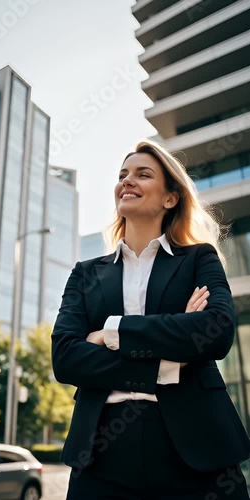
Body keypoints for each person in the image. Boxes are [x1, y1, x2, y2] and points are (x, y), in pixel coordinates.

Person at [52, 140, 250, 499]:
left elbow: (215, 333)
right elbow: (65, 359)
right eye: (122, 175)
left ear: (170, 198)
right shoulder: (85, 274)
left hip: (197, 449)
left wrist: (111, 331)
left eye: (142, 175)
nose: (127, 181)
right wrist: (170, 358)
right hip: (101, 455)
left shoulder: (198, 259)